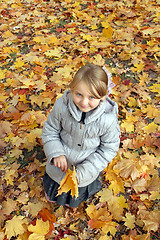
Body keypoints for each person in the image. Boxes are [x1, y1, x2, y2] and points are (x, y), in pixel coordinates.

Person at [41, 64, 120, 208]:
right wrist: (56, 152)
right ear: (72, 90)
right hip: (60, 165)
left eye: (91, 97)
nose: (84, 102)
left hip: (85, 168)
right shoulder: (61, 107)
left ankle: (74, 198)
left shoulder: (107, 120)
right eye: (79, 94)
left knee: (77, 188)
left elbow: (108, 149)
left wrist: (88, 169)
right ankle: (54, 194)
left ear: (103, 96)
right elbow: (50, 130)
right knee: (56, 182)